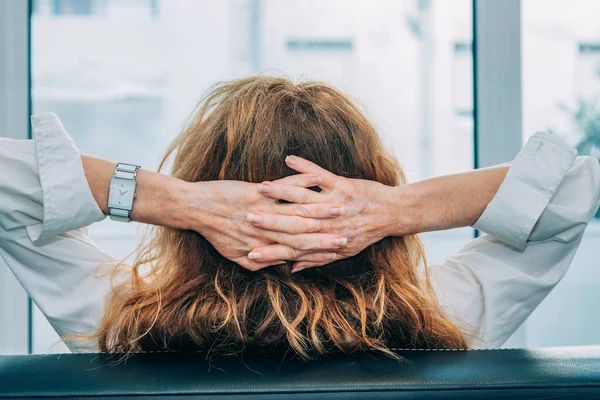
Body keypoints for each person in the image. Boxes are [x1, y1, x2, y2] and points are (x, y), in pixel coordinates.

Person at [0, 76, 598, 358]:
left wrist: (178, 201)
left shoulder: (111, 319)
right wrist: (395, 209)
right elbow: (575, 191)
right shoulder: (454, 312)